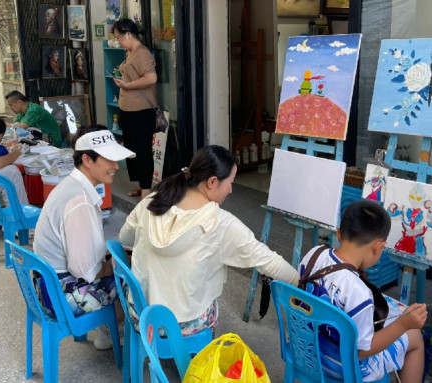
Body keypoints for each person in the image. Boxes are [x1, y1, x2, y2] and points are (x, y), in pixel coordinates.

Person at [118, 145, 299, 336]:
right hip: (184, 324)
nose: (230, 190)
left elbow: (124, 238)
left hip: (141, 315)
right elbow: (269, 262)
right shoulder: (221, 223)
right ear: (212, 182)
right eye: (230, 182)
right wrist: (300, 282)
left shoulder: (152, 201)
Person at [299, 200, 426, 382]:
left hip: (305, 348)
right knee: (415, 338)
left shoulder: (314, 254)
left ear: (339, 234)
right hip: (342, 368)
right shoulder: (358, 292)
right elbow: (360, 352)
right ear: (378, 246)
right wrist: (403, 324)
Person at [33, 127, 135, 349]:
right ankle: (117, 334)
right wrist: (117, 265)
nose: (116, 166)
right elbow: (85, 271)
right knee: (134, 279)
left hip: (47, 284)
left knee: (118, 257)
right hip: (61, 297)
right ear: (87, 160)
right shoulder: (79, 201)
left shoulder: (71, 186)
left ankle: (108, 328)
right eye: (110, 160)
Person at [111, 18, 158, 199]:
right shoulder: (130, 52)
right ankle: (141, 185)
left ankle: (146, 190)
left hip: (141, 111)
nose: (118, 41)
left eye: (118, 37)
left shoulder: (142, 53)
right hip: (128, 110)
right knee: (132, 150)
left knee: (142, 150)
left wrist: (128, 86)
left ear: (128, 34)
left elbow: (151, 78)